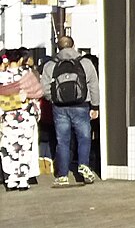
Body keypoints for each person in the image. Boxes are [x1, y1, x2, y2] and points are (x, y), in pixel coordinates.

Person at [40, 35, 100, 187]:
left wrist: (53, 99)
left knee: (63, 141)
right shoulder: (85, 62)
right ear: (74, 45)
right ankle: (84, 166)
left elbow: (45, 88)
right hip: (81, 105)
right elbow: (93, 84)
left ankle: (62, 175)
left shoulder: (50, 65)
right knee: (84, 137)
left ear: (58, 48)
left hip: (59, 108)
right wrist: (95, 106)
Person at [0, 50, 41, 191]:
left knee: (8, 148)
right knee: (24, 148)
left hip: (7, 116)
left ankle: (10, 179)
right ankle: (23, 179)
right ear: (19, 60)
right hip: (24, 116)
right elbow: (37, 93)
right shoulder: (26, 74)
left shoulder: (1, 76)